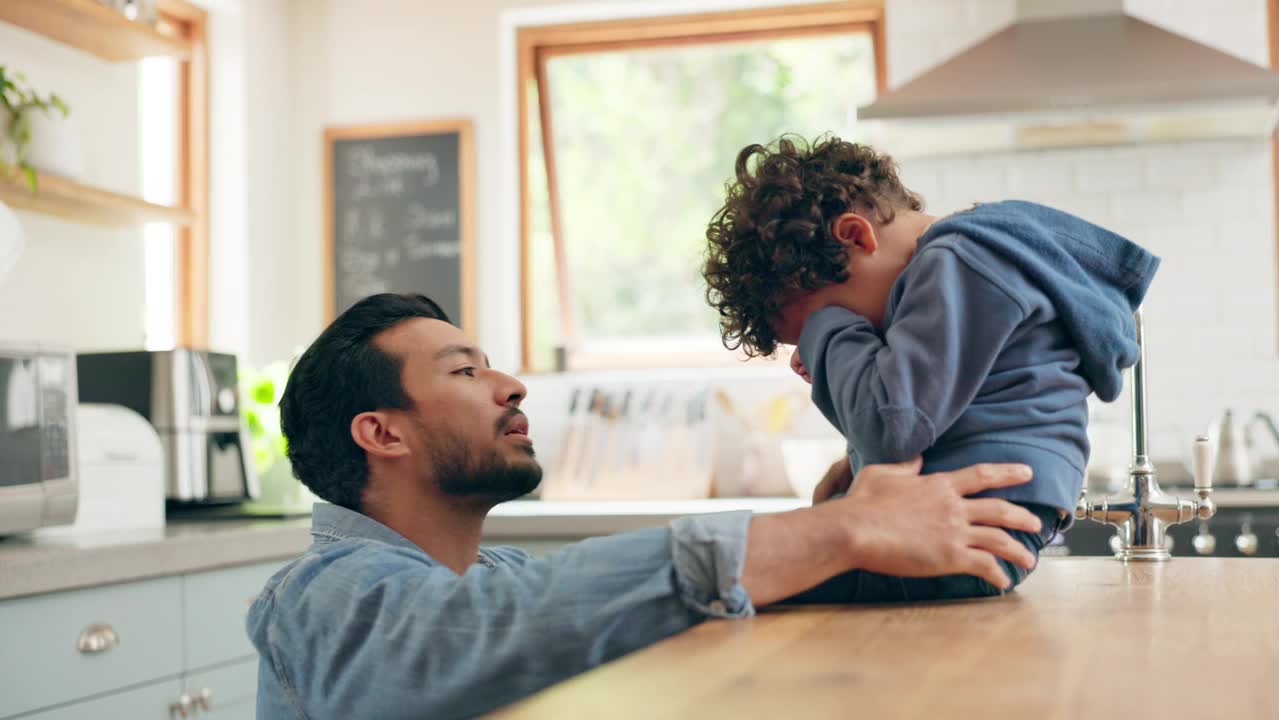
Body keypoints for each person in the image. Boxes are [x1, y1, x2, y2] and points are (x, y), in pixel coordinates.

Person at [247, 292, 1044, 719]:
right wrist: (836, 529)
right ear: (381, 433)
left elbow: (601, 612)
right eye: (464, 373)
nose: (512, 384)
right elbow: (498, 626)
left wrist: (832, 537)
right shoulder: (321, 595)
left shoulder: (493, 571)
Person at [702, 135, 1160, 602]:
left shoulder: (960, 261)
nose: (813, 351)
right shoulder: (977, 259)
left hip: (971, 530)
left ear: (856, 236)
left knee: (720, 576)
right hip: (969, 529)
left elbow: (894, 425)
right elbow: (929, 417)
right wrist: (856, 475)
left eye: (828, 316)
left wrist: (830, 334)